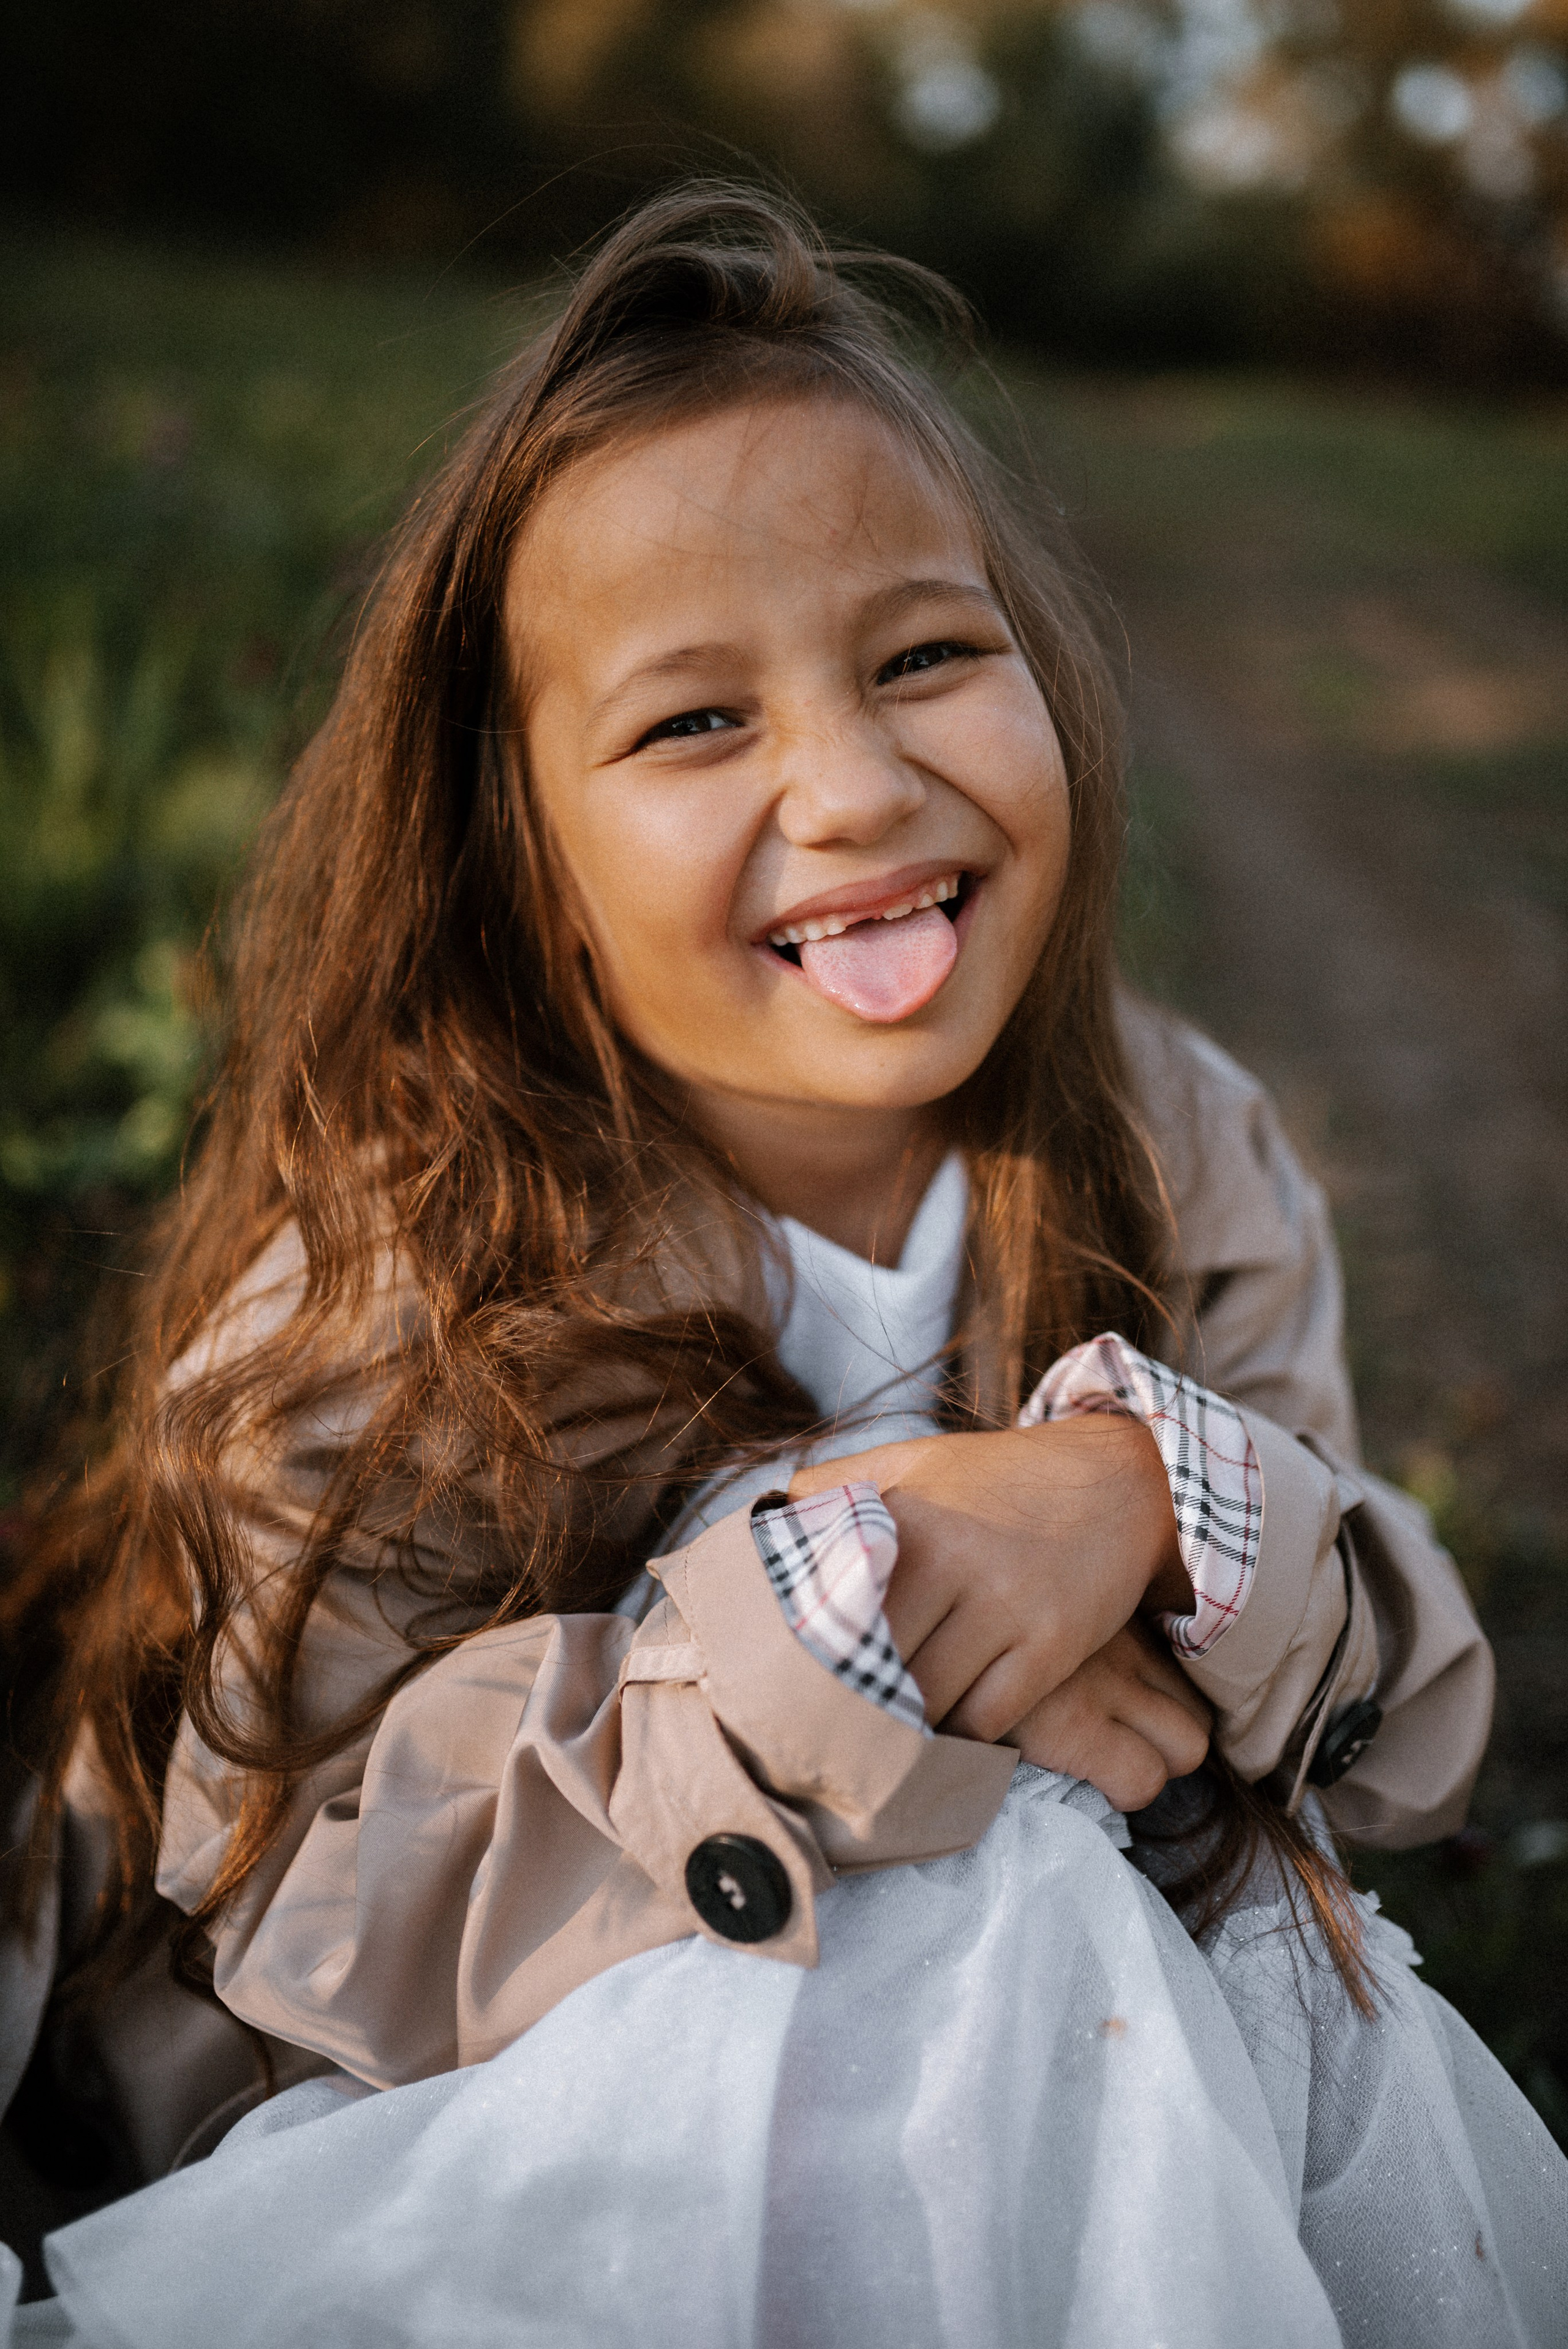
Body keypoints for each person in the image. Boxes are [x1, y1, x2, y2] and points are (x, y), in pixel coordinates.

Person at [1, 183, 1561, 2347]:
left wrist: (1142, 1498)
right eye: (693, 723)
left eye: (927, 654)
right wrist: (862, 1583)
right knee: (996, 1891)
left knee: (1219, 1945)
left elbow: (1394, 1704)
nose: (853, 781)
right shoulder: (413, 1270)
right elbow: (300, 1899)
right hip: (544, 2148)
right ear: (529, 874)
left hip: (1109, 2087)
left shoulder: (1178, 1144)